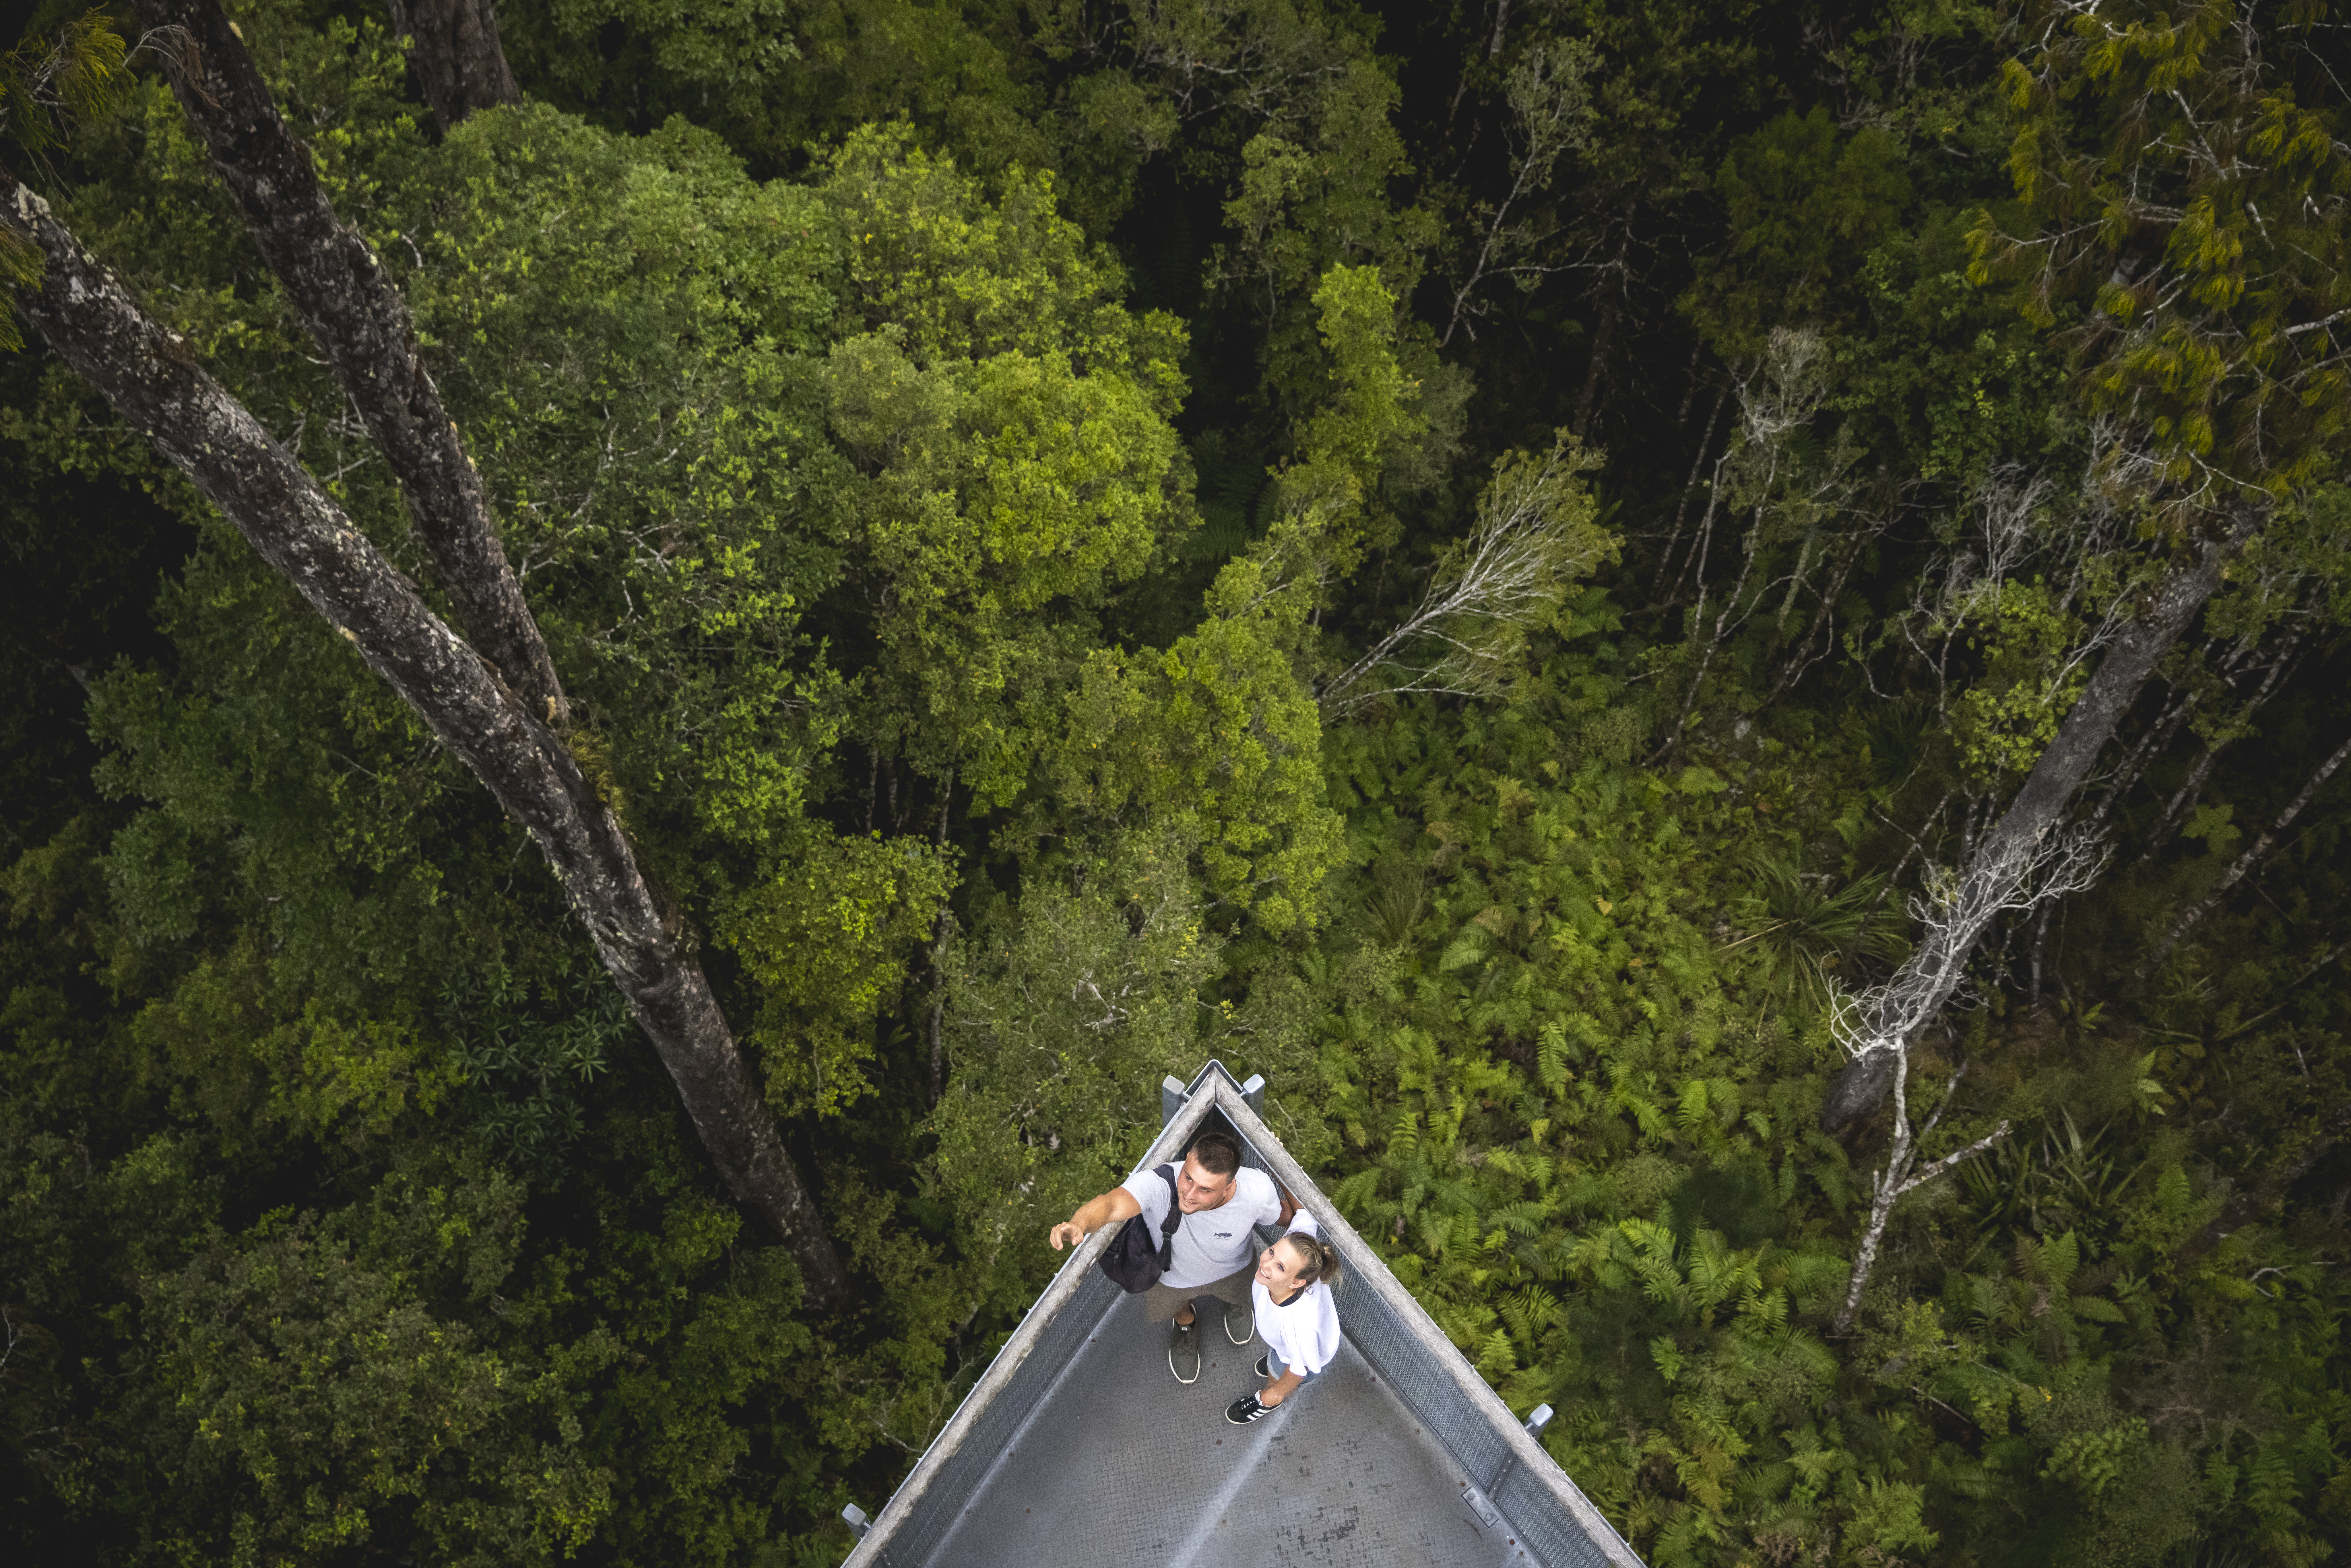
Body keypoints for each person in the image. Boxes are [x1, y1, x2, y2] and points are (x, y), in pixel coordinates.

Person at [1049, 1131, 1293, 1383]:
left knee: (1238, 1292)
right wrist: (1079, 1224)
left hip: (1234, 1269)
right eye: (1188, 1178)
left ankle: (1236, 1305)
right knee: (1173, 1305)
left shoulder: (1257, 1191)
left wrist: (1280, 1163)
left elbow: (1287, 1218)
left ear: (1229, 1186)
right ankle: (1186, 1325)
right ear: (1187, 1159)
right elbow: (1110, 1204)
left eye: (1205, 1190)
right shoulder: (1161, 1185)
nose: (1189, 1193)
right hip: (1172, 1276)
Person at [1225, 1211, 1342, 1425]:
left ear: (1297, 1283)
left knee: (1278, 1372)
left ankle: (1267, 1398)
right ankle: (1275, 1362)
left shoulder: (1297, 1328)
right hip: (1292, 1346)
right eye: (1271, 1252)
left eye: (1280, 1267)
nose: (1267, 1265)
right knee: (1278, 1357)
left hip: (1298, 1358)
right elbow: (1304, 1214)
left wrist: (1276, 1393)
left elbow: (1299, 1369)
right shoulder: (1300, 1248)